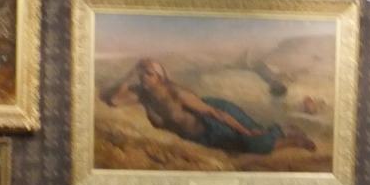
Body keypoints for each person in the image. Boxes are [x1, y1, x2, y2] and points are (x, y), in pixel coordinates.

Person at [101, 58, 315, 154]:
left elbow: (215, 112)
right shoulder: (142, 95)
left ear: (160, 77)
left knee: (255, 143)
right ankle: (282, 132)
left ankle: (291, 136)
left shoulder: (176, 93)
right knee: (246, 147)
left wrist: (244, 130)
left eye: (148, 73)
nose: (143, 77)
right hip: (201, 136)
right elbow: (113, 101)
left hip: (213, 120)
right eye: (141, 73)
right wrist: (130, 74)